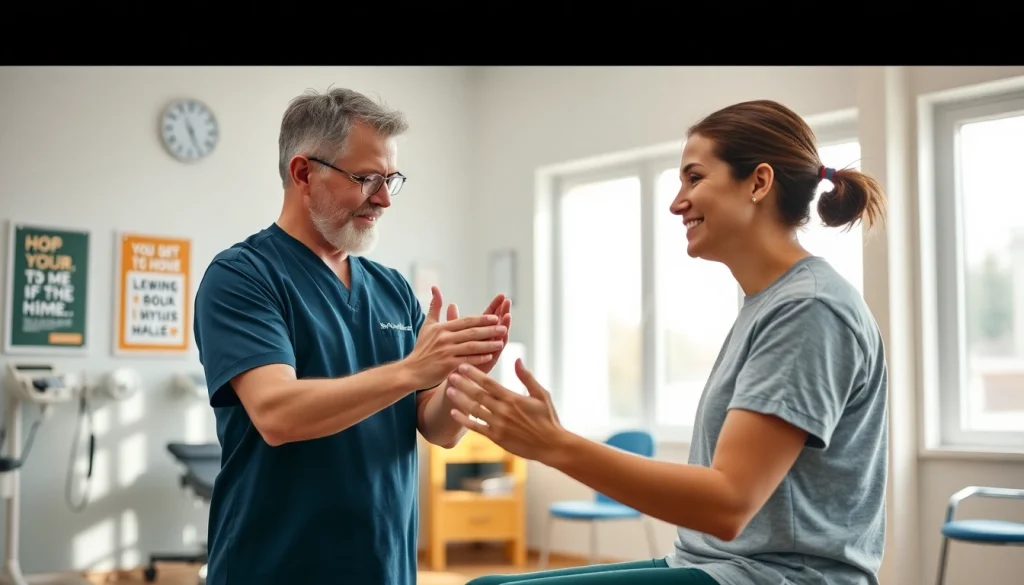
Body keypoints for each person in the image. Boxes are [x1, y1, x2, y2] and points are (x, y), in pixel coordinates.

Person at [443, 99, 889, 585]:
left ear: (759, 182)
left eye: (694, 179)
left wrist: (554, 444)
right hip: (714, 565)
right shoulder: (768, 303)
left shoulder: (809, 309)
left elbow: (728, 503)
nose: (677, 202)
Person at [192, 87, 513, 585]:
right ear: (303, 173)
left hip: (384, 566)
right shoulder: (243, 276)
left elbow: (439, 431)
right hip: (273, 567)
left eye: (390, 180)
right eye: (366, 179)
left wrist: (459, 380)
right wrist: (412, 369)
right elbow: (277, 414)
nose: (383, 199)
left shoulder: (392, 289)